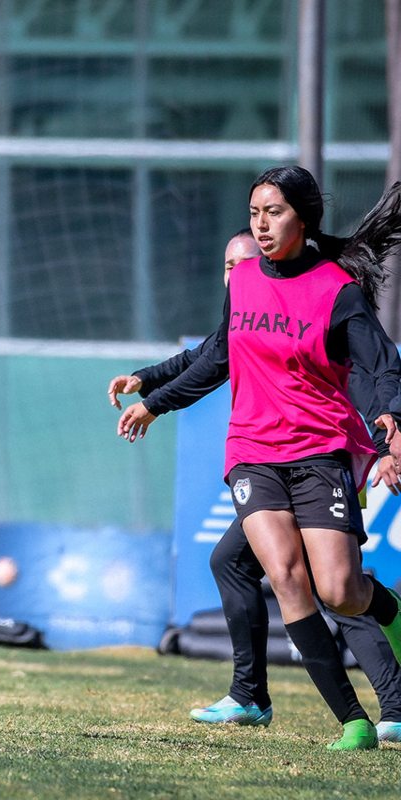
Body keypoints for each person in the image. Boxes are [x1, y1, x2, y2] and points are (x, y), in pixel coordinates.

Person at [117, 166, 401, 750]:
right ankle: (353, 721)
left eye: (273, 212)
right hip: (252, 452)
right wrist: (154, 402)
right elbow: (217, 355)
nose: (262, 224)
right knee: (286, 577)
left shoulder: (336, 290)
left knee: (341, 591)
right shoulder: (243, 279)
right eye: (254, 213)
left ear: (304, 218)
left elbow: (379, 365)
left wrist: (389, 415)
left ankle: (392, 613)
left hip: (320, 452)